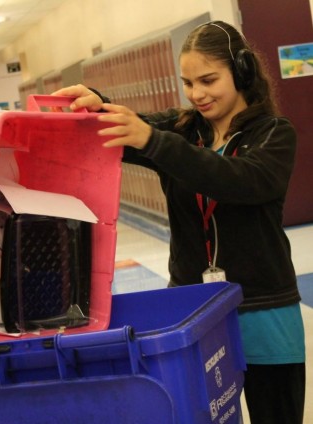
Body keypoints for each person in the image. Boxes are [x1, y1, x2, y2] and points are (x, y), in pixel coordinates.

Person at [53, 20, 305, 424]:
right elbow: (128, 130)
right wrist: (97, 106)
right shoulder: (184, 129)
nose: (197, 94)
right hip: (192, 307)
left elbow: (242, 180)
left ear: (241, 72)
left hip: (264, 309)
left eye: (208, 80)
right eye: (188, 83)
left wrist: (153, 141)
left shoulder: (274, 134)